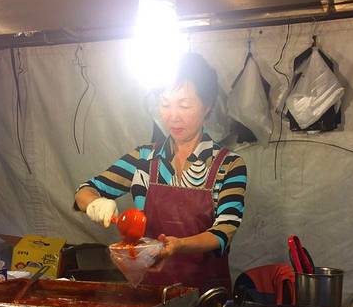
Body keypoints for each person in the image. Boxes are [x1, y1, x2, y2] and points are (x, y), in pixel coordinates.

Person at [74, 53, 247, 293]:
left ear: (207, 106)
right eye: (165, 104)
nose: (173, 116)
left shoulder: (229, 165)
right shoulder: (143, 158)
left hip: (205, 296)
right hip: (150, 292)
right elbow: (84, 192)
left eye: (184, 105)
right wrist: (95, 203)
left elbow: (224, 231)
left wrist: (179, 245)